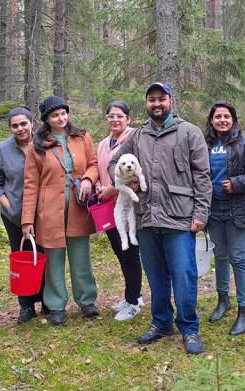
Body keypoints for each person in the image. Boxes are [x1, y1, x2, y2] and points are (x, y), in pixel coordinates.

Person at [108, 82, 212, 354]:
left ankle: (189, 328)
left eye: (161, 99)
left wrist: (201, 212)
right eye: (151, 99)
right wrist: (123, 181)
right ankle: (161, 323)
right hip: (146, 217)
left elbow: (202, 175)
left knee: (184, 275)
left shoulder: (189, 132)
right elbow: (112, 163)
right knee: (155, 276)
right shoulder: (137, 136)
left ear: (170, 101)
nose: (156, 104)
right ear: (146, 103)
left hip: (180, 217)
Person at [21, 95, 100, 325]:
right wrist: (27, 220)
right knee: (53, 257)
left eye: (64, 113)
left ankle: (87, 301)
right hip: (49, 210)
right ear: (46, 119)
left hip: (78, 205)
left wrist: (87, 179)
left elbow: (94, 164)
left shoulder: (82, 136)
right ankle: (56, 306)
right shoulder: (37, 145)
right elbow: (30, 184)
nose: (61, 118)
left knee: (81, 255)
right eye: (55, 115)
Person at [203, 101, 245, 336]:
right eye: (217, 116)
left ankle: (244, 311)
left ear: (233, 119)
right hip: (213, 208)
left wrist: (237, 183)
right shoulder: (205, 143)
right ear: (211, 120)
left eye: (226, 116)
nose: (222, 120)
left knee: (238, 257)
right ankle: (222, 300)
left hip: (238, 208)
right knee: (219, 254)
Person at [0, 107, 46, 324]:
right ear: (10, 127)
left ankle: (48, 302)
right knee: (23, 259)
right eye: (15, 125)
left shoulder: (44, 144)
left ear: (32, 123)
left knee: (45, 257)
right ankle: (26, 306)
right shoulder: (1, 151)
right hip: (14, 216)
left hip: (45, 213)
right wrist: (9, 206)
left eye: (23, 124)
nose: (20, 129)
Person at [96, 100, 145, 321]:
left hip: (128, 206)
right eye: (111, 116)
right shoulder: (104, 143)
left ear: (128, 119)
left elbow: (135, 173)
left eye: (120, 116)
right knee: (120, 252)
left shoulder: (134, 138)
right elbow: (101, 170)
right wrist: (98, 186)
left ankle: (134, 302)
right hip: (108, 207)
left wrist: (112, 189)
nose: (115, 120)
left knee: (130, 254)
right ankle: (131, 295)